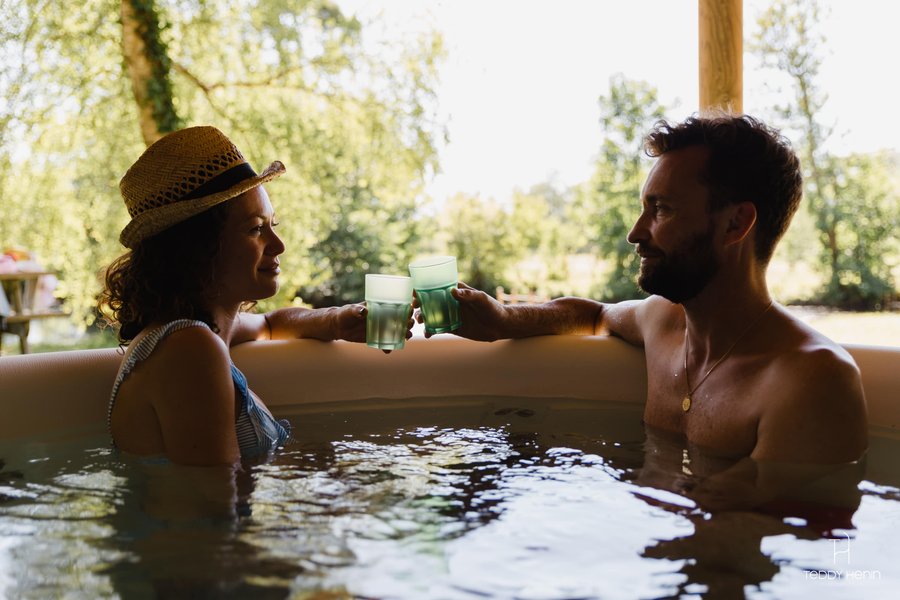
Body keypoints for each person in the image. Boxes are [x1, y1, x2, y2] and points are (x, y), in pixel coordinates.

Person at [426, 114, 867, 465]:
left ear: (736, 223)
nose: (636, 233)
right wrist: (503, 320)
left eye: (663, 210)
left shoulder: (810, 379)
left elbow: (777, 538)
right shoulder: (663, 322)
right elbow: (595, 315)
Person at [99, 126, 406, 466]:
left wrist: (336, 320)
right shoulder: (189, 350)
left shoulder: (197, 334)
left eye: (273, 225)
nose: (278, 246)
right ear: (197, 248)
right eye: (256, 229)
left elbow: (270, 324)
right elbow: (212, 511)